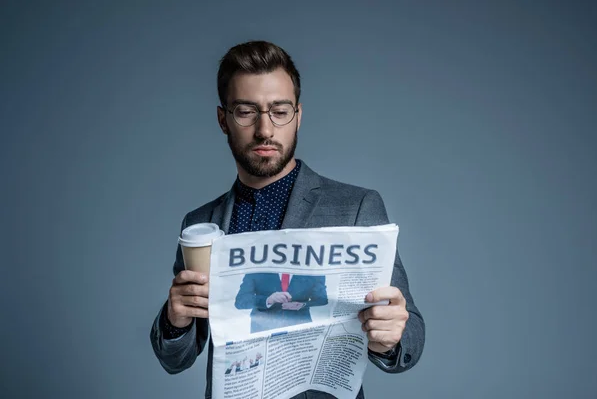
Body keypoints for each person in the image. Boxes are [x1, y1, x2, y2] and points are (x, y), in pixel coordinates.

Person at [150, 40, 425, 399]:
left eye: (279, 111)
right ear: (223, 120)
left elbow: (410, 341)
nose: (265, 130)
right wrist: (175, 320)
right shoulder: (201, 224)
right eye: (246, 111)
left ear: (298, 115)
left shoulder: (357, 207)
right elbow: (176, 359)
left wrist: (390, 337)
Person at [234, 272, 328, 333]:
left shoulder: (314, 270)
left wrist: (303, 305)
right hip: (263, 329)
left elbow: (322, 299)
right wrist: (268, 300)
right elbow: (240, 301)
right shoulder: (257, 268)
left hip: (299, 331)